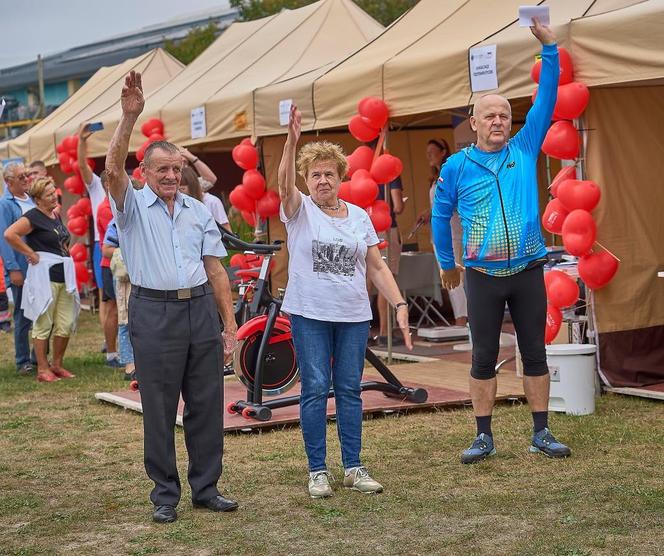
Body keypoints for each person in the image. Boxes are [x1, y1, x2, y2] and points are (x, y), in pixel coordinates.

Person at [432, 19, 571, 464]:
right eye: (490, 115)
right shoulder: (456, 166)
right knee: (483, 356)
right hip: (483, 275)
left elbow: (546, 100)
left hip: (529, 268)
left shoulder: (525, 147)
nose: (498, 121)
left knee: (535, 352)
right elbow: (439, 214)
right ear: (473, 122)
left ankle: (541, 432)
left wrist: (549, 50)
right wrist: (446, 261)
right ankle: (483, 436)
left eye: (505, 115)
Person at [106, 70, 238, 523]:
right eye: (161, 169)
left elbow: (216, 270)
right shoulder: (130, 207)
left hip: (199, 308)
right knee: (159, 408)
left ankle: (207, 488)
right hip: (154, 311)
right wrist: (129, 118)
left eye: (175, 169)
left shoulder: (198, 211)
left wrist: (231, 327)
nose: (170, 176)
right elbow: (110, 170)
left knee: (206, 403)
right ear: (144, 172)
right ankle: (165, 495)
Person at [278, 104, 413, 499]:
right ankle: (318, 470)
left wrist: (401, 305)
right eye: (315, 174)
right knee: (317, 387)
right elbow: (284, 185)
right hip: (310, 314)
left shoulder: (358, 215)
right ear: (307, 179)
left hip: (353, 315)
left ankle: (353, 466)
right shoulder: (298, 210)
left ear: (341, 177)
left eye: (329, 174)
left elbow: (376, 266)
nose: (322, 180)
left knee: (350, 389)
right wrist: (291, 142)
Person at [3, 177, 78, 382]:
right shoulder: (33, 216)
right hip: (46, 277)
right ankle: (42, 369)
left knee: (65, 322)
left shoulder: (54, 215)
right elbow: (10, 234)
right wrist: (31, 253)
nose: (54, 196)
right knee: (43, 323)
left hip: (63, 276)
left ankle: (57, 364)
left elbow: (61, 242)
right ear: (37, 199)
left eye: (54, 192)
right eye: (49, 194)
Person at [423, 138, 468, 326]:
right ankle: (461, 318)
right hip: (440, 234)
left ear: (443, 152)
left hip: (454, 232)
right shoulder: (434, 178)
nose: (429, 156)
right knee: (448, 278)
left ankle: (462, 319)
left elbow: (455, 203)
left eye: (433, 151)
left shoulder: (450, 173)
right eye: (427, 153)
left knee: (455, 276)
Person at [0, 163, 36, 375]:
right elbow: (4, 239)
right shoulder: (5, 204)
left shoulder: (32, 199)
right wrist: (13, 268)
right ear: (9, 182)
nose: (26, 179)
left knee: (40, 311)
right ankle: (22, 360)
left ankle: (38, 355)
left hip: (37, 265)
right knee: (22, 314)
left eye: (27, 175)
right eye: (21, 177)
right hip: (21, 267)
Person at [78, 123, 110, 352]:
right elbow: (82, 167)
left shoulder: (127, 187)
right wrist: (82, 142)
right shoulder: (97, 185)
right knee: (105, 295)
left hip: (125, 245)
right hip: (103, 245)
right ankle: (109, 342)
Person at [370, 175, 404, 346]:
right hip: (386, 227)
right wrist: (401, 204)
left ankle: (366, 331)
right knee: (386, 277)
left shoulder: (363, 170)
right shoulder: (389, 172)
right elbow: (397, 206)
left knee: (367, 281)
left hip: (367, 227)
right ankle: (384, 332)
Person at [102, 219, 135, 380]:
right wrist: (129, 251)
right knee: (126, 318)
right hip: (126, 278)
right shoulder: (116, 223)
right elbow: (106, 249)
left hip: (150, 275)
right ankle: (129, 363)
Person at [95, 172, 121, 368]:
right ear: (105, 185)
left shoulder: (114, 204)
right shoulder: (106, 208)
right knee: (113, 310)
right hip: (110, 265)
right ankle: (111, 353)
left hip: (118, 264)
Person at [178, 146, 232, 232]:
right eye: (179, 161)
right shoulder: (169, 185)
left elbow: (211, 179)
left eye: (185, 161)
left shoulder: (209, 200)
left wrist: (192, 158)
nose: (182, 164)